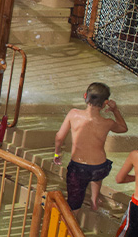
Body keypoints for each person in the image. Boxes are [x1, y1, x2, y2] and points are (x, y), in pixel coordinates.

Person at [53, 82, 128, 211]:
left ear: (85, 96)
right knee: (96, 177)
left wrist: (57, 152)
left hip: (79, 168)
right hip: (100, 167)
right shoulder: (107, 123)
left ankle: (73, 220)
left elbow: (59, 137)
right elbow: (123, 128)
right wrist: (115, 110)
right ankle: (94, 202)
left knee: (74, 204)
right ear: (105, 103)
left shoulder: (73, 114)